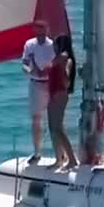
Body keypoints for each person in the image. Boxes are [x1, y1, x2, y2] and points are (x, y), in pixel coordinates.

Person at [21, 19, 55, 163]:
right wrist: (30, 70)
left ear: (47, 29)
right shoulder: (30, 44)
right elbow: (24, 64)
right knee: (36, 119)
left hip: (50, 84)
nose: (40, 31)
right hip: (35, 83)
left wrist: (48, 70)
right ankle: (37, 152)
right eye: (37, 28)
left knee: (55, 120)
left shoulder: (53, 45)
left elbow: (57, 64)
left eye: (42, 28)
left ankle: (59, 153)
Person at [47, 34, 78, 169]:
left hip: (59, 94)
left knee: (58, 128)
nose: (53, 47)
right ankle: (59, 157)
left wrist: (62, 71)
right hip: (54, 93)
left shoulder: (65, 58)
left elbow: (66, 78)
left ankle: (71, 159)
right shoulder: (60, 58)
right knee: (53, 127)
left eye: (55, 44)